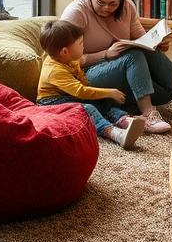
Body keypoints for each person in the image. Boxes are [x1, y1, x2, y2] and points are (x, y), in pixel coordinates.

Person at [60, 0, 172, 133]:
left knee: (165, 91)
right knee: (133, 55)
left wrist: (156, 43)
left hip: (122, 71)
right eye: (101, 3)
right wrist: (105, 54)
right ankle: (148, 113)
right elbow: (65, 60)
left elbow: (141, 40)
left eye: (113, 3)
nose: (106, 8)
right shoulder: (76, 13)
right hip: (86, 74)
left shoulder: (127, 7)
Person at [37, 20, 146, 149]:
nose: (84, 46)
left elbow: (81, 82)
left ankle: (125, 120)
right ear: (65, 51)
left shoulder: (69, 58)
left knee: (102, 102)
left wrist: (102, 94)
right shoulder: (54, 71)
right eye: (80, 43)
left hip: (68, 95)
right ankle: (114, 133)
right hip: (50, 103)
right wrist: (110, 92)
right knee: (86, 109)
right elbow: (80, 91)